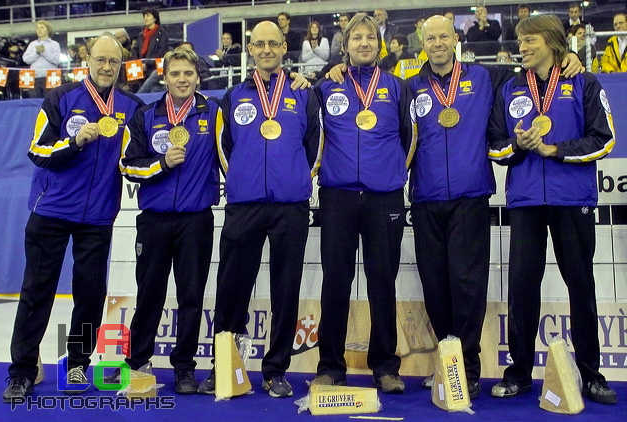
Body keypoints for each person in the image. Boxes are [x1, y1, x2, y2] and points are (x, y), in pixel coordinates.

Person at [407, 15, 583, 400]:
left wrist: (568, 55)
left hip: (471, 196)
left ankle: (467, 368)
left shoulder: (489, 77)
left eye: (444, 36)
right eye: (430, 37)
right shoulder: (409, 88)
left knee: (467, 287)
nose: (437, 43)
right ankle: (446, 359)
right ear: (422, 43)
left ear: (456, 39)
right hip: (425, 199)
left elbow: (536, 68)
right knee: (435, 288)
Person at [2, 35, 144, 403]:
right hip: (51, 210)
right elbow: (37, 149)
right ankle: (22, 370)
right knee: (37, 291)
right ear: (87, 59)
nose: (107, 67)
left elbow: (135, 158)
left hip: (97, 216)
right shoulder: (60, 98)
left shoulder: (130, 106)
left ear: (121, 64)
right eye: (101, 60)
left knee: (90, 293)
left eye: (114, 62)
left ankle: (78, 361)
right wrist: (74, 141)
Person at [487, 14, 617, 405]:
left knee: (582, 288)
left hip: (572, 199)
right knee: (522, 290)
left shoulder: (584, 81)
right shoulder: (510, 87)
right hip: (526, 201)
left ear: (552, 42)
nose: (522, 47)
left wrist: (554, 150)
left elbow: (604, 139)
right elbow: (494, 145)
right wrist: (518, 145)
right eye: (520, 41)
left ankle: (593, 375)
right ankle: (520, 373)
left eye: (530, 41)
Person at [197, 20, 322, 399]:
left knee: (286, 288)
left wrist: (300, 178)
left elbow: (315, 143)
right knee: (231, 287)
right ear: (250, 49)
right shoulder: (234, 95)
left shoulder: (303, 94)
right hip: (244, 204)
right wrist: (239, 180)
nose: (266, 50)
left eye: (273, 44)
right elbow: (223, 146)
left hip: (291, 206)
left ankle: (276, 370)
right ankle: (224, 365)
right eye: (259, 44)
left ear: (285, 47)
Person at [311, 13, 414, 394]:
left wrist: (389, 176)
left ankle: (385, 366)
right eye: (357, 37)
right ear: (345, 44)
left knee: (382, 282)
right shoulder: (327, 87)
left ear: (379, 44)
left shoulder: (398, 88)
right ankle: (330, 366)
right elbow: (312, 135)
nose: (364, 43)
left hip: (383, 197)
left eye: (370, 37)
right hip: (337, 196)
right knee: (336, 282)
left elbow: (409, 138)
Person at [116, 46, 219, 395]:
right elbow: (127, 166)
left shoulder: (213, 113)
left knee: (191, 296)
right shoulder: (145, 116)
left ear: (198, 77)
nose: (182, 79)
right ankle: (137, 362)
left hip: (196, 220)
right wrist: (161, 163)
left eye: (188, 74)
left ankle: (184, 368)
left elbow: (232, 156)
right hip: (155, 220)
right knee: (149, 294)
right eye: (175, 73)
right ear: (165, 77)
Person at [22, 19, 60, 98]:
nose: (39, 30)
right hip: (34, 78)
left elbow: (57, 60)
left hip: (50, 78)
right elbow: (26, 59)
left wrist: (44, 52)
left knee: (49, 101)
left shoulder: (54, 44)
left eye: (42, 27)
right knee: (35, 101)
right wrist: (37, 53)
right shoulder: (32, 44)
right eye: (37, 28)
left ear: (48, 29)